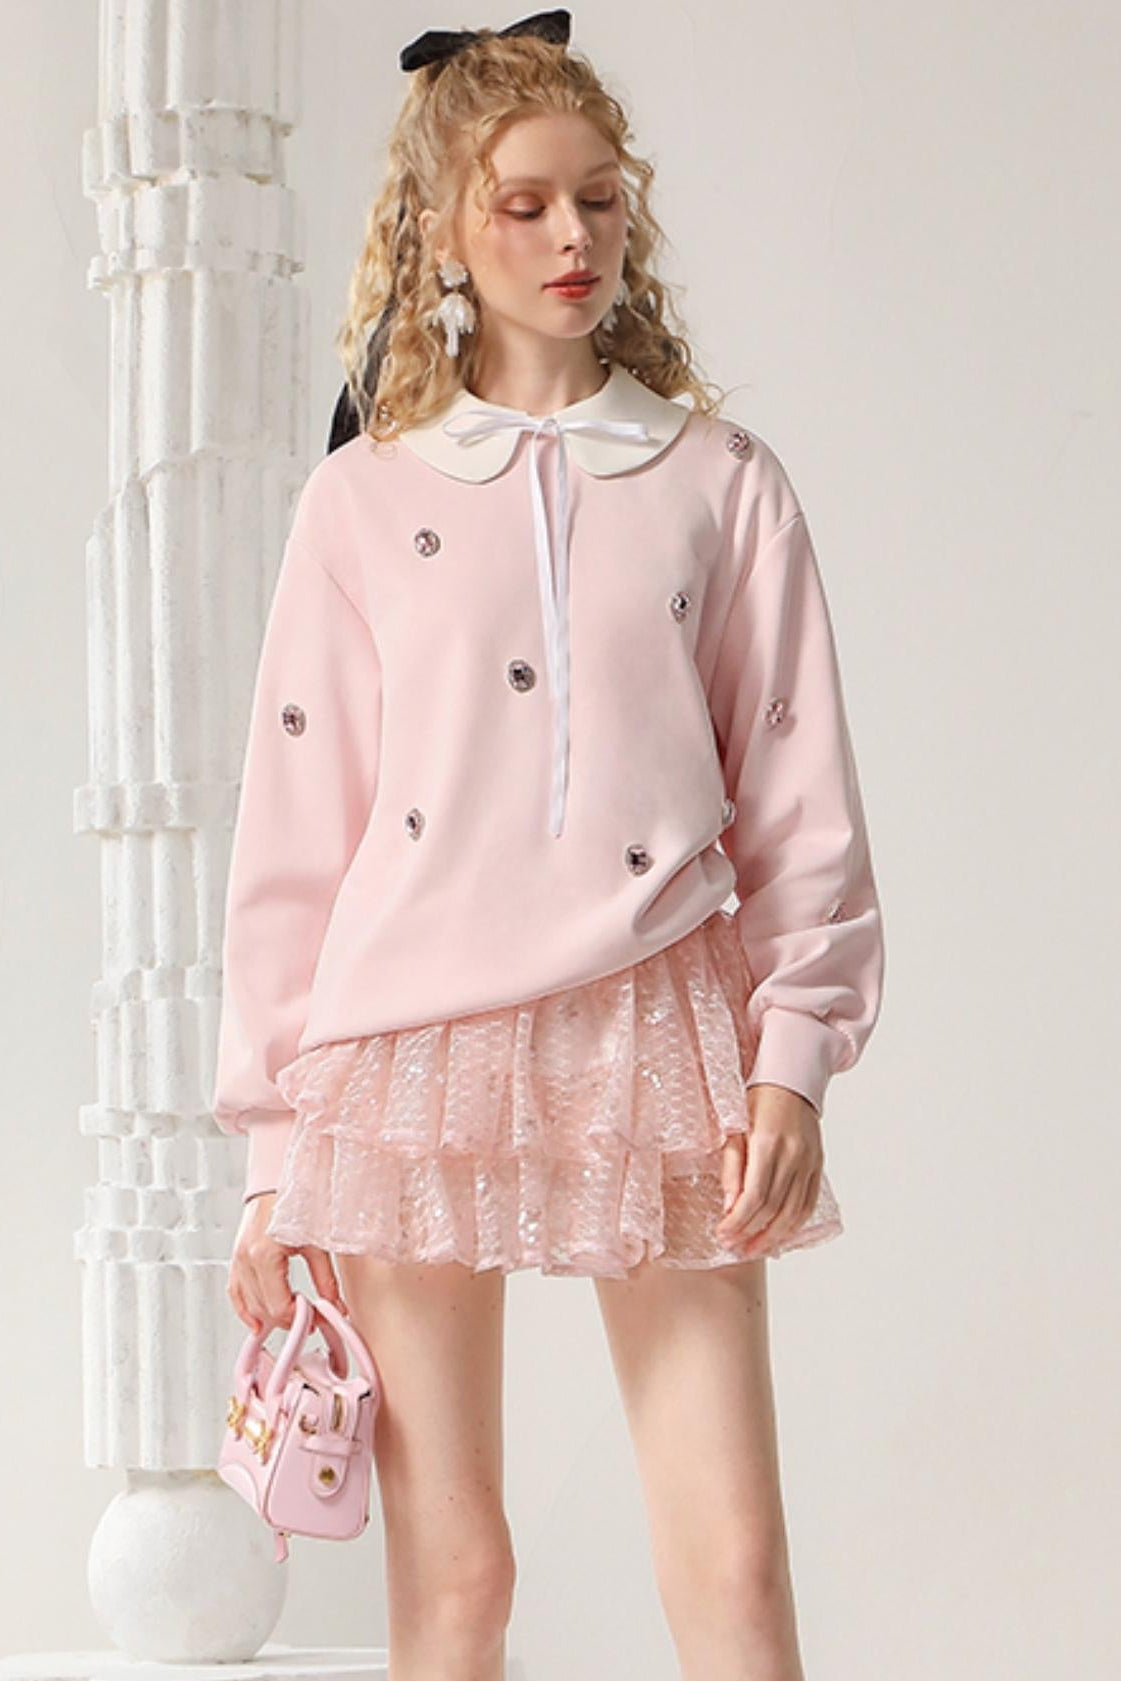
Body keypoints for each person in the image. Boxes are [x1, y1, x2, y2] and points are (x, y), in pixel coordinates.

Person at [214, 11, 885, 1677]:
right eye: (521, 205)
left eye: (595, 198)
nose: (571, 236)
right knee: (456, 1578)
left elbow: (799, 794)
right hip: (405, 1057)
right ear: (443, 232)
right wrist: (273, 1157)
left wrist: (792, 1060)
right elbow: (295, 835)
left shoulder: (720, 482)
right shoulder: (360, 501)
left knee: (732, 1566)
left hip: (663, 1032)